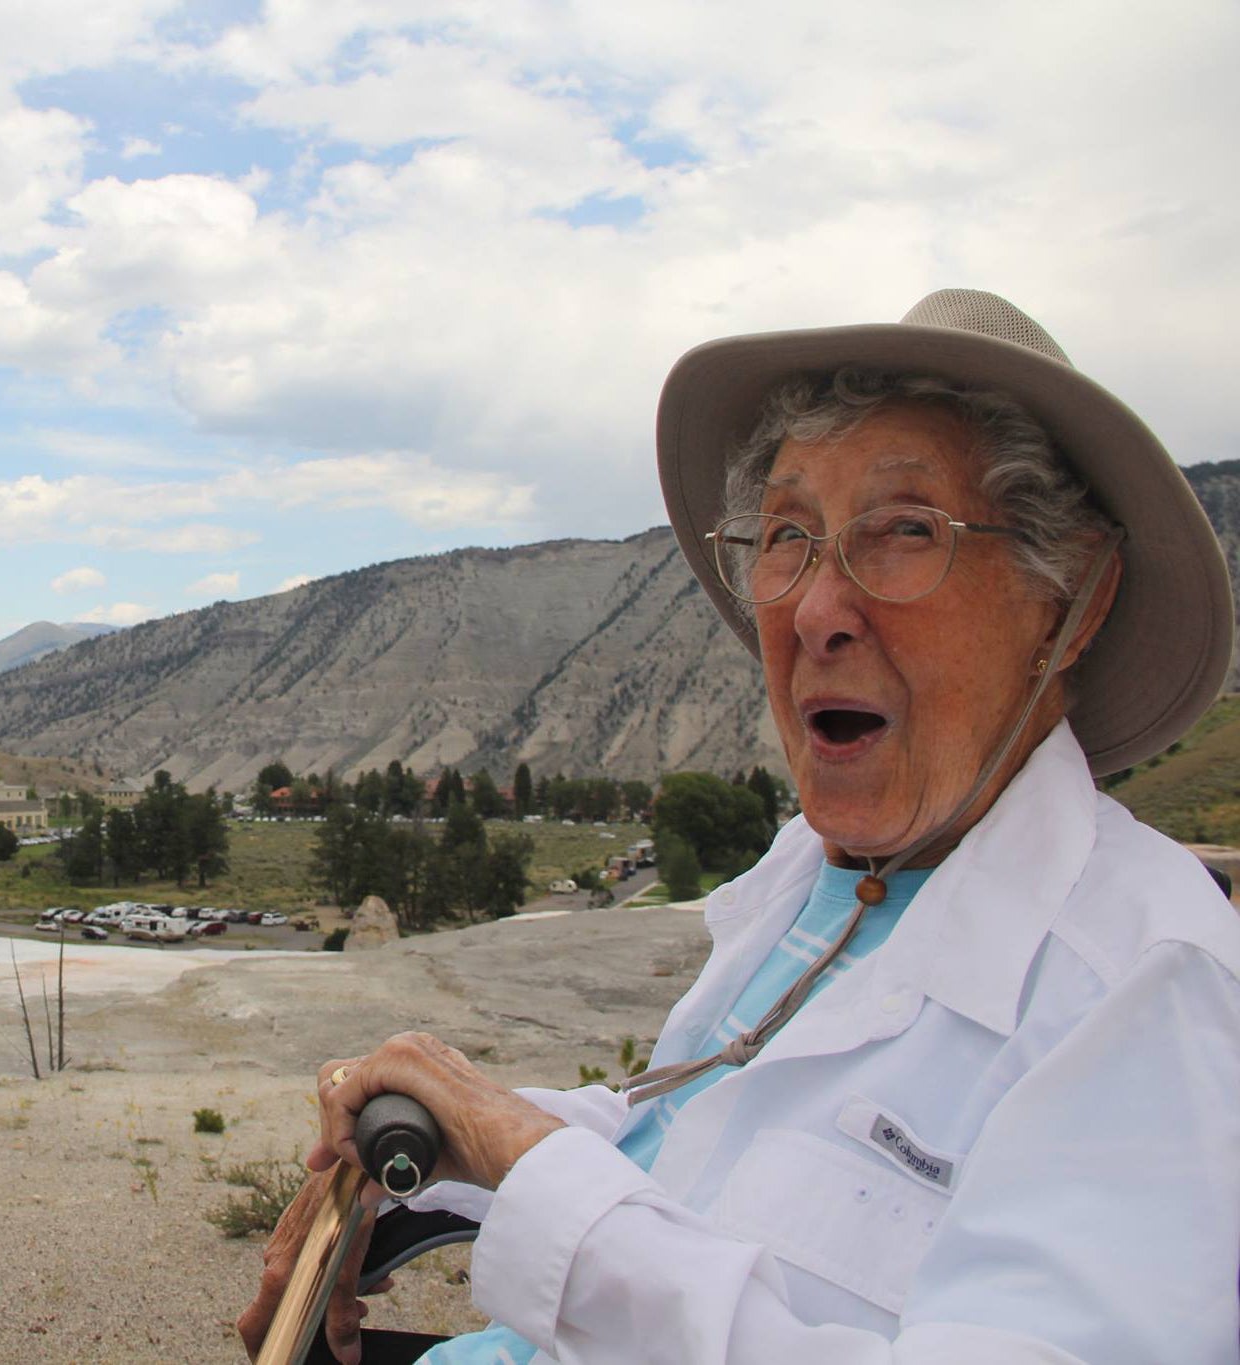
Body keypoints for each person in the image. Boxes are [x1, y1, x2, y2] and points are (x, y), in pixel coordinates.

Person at [239, 289, 1240, 1364]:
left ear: (1073, 596)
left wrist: (536, 1173)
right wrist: (447, 1141)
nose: (812, 609)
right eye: (784, 536)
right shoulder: (816, 878)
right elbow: (698, 1143)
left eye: (903, 530)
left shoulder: (1142, 989)